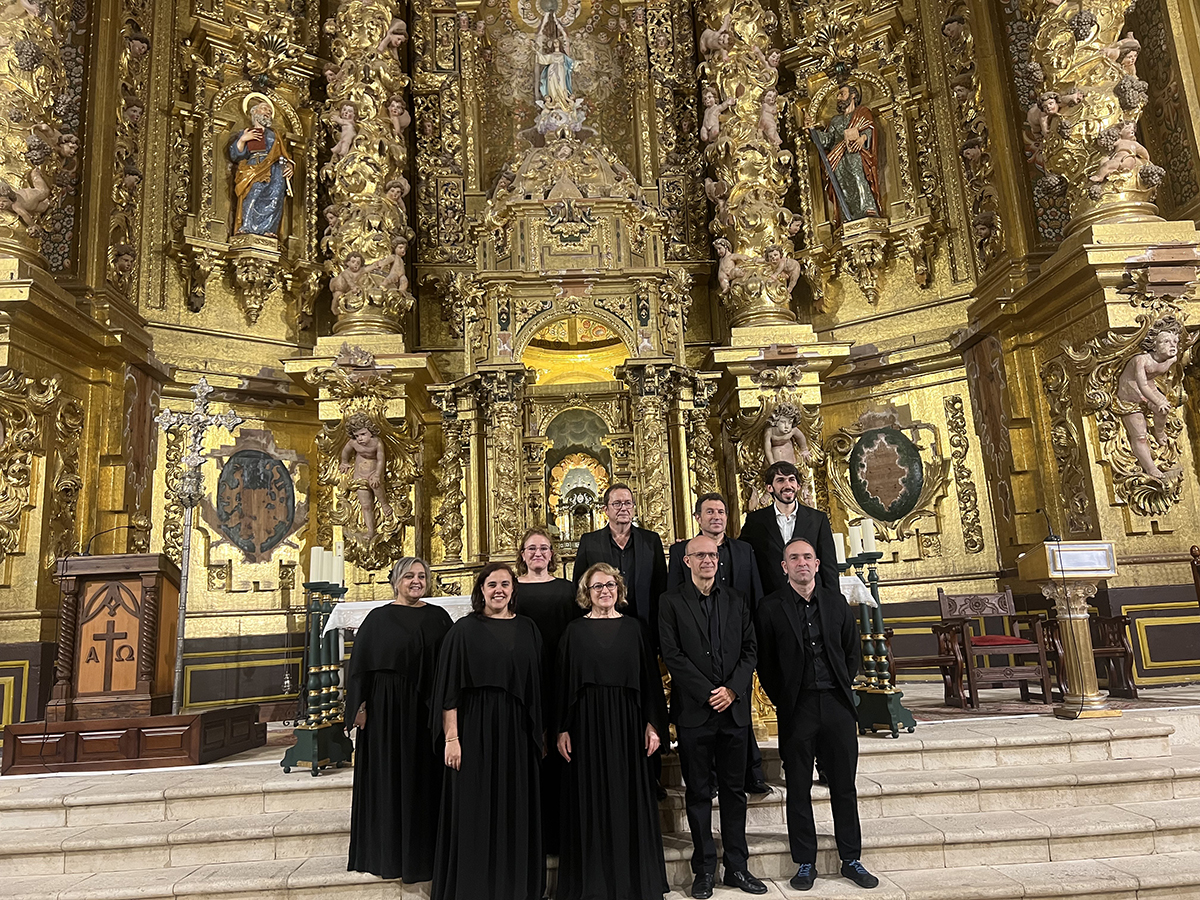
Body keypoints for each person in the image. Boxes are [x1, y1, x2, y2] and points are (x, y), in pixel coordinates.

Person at [755, 538, 878, 892]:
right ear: (784, 567)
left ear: (817, 563)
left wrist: (840, 684)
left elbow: (851, 651)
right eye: (794, 558)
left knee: (843, 786)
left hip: (837, 705)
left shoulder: (835, 602)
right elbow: (766, 662)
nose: (801, 563)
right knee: (797, 787)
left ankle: (851, 858)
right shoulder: (770, 607)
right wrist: (784, 698)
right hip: (798, 707)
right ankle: (805, 862)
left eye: (807, 557)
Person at [659, 536, 766, 899]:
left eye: (712, 554)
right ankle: (704, 869)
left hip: (733, 712)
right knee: (699, 793)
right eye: (699, 555)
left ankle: (738, 866)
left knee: (735, 792)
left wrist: (733, 689)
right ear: (686, 561)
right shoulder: (670, 602)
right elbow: (672, 655)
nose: (707, 560)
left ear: (719, 560)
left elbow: (751, 649)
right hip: (695, 713)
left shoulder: (736, 599)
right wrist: (708, 691)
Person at [556, 564, 668, 900]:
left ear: (619, 589)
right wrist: (561, 728)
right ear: (586, 593)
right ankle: (594, 882)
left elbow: (650, 681)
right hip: (586, 725)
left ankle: (634, 880)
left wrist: (653, 724)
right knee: (589, 797)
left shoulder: (635, 629)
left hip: (628, 724)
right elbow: (561, 685)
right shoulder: (573, 632)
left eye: (610, 585)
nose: (604, 591)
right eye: (597, 587)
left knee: (628, 795)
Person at [431, 563, 544, 900]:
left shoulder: (529, 629)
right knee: (475, 806)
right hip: (475, 727)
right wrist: (452, 738)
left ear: (514, 589)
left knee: (515, 805)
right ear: (481, 589)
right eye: (492, 584)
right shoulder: (463, 631)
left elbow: (538, 687)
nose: (499, 590)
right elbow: (449, 690)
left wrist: (539, 733)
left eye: (505, 584)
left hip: (517, 730)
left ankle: (515, 885)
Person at [345, 557, 452, 882]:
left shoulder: (438, 617)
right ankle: (386, 854)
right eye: (409, 576)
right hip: (386, 715)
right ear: (395, 581)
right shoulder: (377, 619)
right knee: (389, 778)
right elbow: (360, 667)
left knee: (424, 781)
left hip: (426, 713)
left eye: (422, 576)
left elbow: (450, 667)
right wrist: (359, 709)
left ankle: (425, 856)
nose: (416, 581)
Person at [667, 493, 767, 794]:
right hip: (697, 642)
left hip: (736, 645)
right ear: (698, 517)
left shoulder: (744, 550)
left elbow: (755, 594)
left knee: (738, 715)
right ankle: (708, 778)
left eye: (721, 511)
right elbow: (675, 595)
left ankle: (753, 773)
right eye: (709, 512)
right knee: (707, 724)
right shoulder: (680, 551)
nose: (716, 516)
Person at [516, 526, 582, 861]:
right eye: (532, 548)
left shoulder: (568, 590)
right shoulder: (511, 590)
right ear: (522, 554)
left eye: (544, 548)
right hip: (524, 681)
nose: (538, 553)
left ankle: (559, 834)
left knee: (560, 752)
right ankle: (531, 834)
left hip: (560, 677)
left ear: (552, 554)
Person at [572, 483, 667, 649]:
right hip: (601, 627)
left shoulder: (651, 541)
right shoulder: (589, 542)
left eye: (628, 503)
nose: (623, 508)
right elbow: (579, 587)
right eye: (617, 504)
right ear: (606, 510)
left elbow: (660, 587)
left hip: (644, 627)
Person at [739, 461, 839, 597]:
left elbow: (828, 564)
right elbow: (744, 558)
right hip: (771, 598)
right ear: (769, 487)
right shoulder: (755, 521)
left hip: (812, 596)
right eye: (780, 480)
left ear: (798, 486)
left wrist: (833, 600)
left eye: (791, 480)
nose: (787, 485)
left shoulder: (818, 519)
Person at [809, 83, 882, 224]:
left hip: (855, 152)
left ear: (853, 95)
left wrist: (862, 139)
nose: (838, 97)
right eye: (838, 95)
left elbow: (869, 128)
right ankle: (847, 215)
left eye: (842, 94)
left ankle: (867, 209)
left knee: (858, 176)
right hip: (838, 157)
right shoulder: (835, 120)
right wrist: (812, 131)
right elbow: (828, 139)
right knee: (841, 184)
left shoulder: (862, 112)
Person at [229, 95, 294, 237]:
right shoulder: (246, 132)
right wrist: (243, 140)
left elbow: (284, 155)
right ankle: (246, 227)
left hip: (275, 170)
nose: (268, 113)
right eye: (264, 109)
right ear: (254, 112)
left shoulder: (275, 135)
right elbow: (236, 155)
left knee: (275, 197)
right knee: (252, 194)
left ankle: (269, 230)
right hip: (254, 167)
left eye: (270, 111)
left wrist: (289, 165)